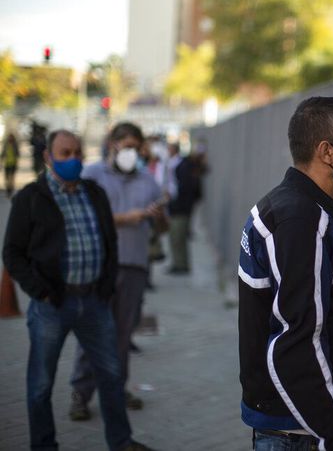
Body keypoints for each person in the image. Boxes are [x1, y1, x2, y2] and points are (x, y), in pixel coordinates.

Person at [239, 97, 333, 451]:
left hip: (298, 425)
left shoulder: (296, 208)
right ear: (327, 152)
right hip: (298, 432)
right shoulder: (300, 221)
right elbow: (297, 344)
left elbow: (288, 309)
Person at [2, 129, 151, 451]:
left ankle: (121, 442)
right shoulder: (30, 198)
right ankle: (43, 445)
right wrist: (39, 291)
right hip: (51, 305)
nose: (72, 160)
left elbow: (109, 242)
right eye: (65, 153)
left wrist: (106, 285)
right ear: (48, 157)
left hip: (94, 302)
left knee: (111, 376)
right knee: (40, 384)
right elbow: (12, 253)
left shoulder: (93, 192)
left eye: (77, 153)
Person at [70, 122, 166, 417]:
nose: (131, 153)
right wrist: (127, 218)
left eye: (136, 148)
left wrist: (159, 216)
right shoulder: (91, 176)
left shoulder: (148, 182)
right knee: (93, 332)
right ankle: (80, 395)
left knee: (122, 336)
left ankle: (115, 390)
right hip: (98, 267)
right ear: (112, 144)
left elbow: (162, 226)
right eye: (126, 147)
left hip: (134, 266)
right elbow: (83, 218)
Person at [167, 148, 205, 274]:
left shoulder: (184, 168)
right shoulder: (184, 167)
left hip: (180, 209)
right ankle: (179, 264)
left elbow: (185, 191)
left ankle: (181, 265)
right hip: (180, 208)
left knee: (178, 238)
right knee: (177, 238)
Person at [1, 132, 20, 196]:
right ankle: (8, 189)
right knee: (6, 178)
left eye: (11, 137)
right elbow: (3, 153)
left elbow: (18, 154)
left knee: (11, 178)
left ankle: (10, 190)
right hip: (7, 164)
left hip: (13, 164)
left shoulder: (15, 145)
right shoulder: (6, 144)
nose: (10, 138)